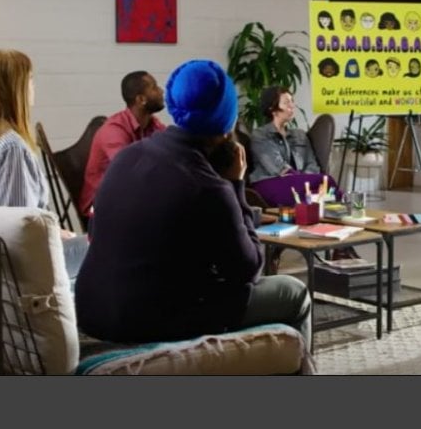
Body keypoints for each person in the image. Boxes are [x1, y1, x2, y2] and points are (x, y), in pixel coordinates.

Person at [74, 60, 312, 347]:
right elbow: (248, 271)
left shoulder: (128, 156)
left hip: (91, 309)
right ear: (227, 123)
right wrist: (235, 186)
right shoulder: (209, 187)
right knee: (292, 292)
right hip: (146, 321)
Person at [0, 49, 89, 283]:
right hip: (20, 268)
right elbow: (20, 229)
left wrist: (55, 232)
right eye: (30, 80)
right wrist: (53, 236)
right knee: (113, 245)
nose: (33, 86)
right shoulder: (11, 147)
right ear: (14, 90)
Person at [79, 71, 166, 217]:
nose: (161, 91)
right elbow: (128, 172)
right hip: (99, 206)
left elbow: (171, 151)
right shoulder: (114, 130)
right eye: (154, 87)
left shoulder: (152, 123)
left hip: (129, 196)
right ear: (141, 99)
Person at [248, 85, 338, 208]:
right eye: (286, 103)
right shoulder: (260, 135)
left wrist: (306, 180)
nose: (292, 106)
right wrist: (306, 181)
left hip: (299, 183)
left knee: (324, 192)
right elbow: (277, 167)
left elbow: (312, 163)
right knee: (327, 181)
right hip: (269, 182)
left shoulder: (300, 135)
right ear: (272, 109)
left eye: (292, 101)